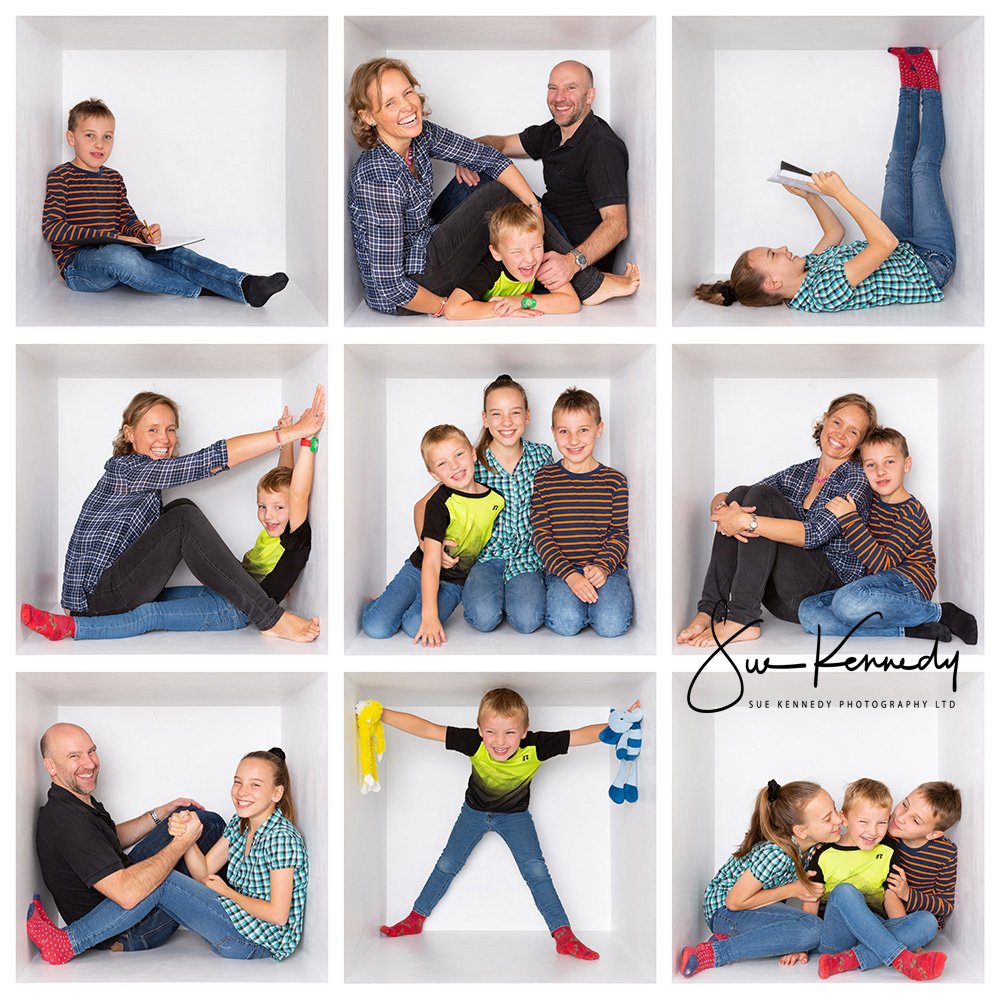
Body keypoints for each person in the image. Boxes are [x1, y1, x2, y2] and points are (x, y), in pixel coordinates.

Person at [20, 387, 324, 644]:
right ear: (129, 434)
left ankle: (248, 596)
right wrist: (293, 432)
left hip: (100, 594)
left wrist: (286, 442)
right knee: (183, 520)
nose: (164, 439)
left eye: (170, 429)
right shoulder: (129, 470)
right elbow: (208, 460)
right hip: (96, 600)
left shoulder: (142, 476)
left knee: (182, 509)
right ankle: (269, 617)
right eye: (152, 429)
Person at [346, 58, 637, 316]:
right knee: (501, 194)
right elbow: (388, 286)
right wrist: (443, 307)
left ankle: (573, 275)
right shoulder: (377, 178)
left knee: (486, 181)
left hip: (423, 242)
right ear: (368, 117)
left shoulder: (420, 137)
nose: (407, 106)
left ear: (590, 96)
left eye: (407, 93)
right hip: (412, 289)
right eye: (390, 103)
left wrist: (530, 205)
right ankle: (589, 285)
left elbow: (491, 158)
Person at [377, 687, 633, 960]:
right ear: (479, 730)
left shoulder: (536, 746)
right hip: (473, 814)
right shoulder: (473, 743)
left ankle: (563, 935)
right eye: (491, 732)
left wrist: (621, 723)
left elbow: (581, 735)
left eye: (510, 732)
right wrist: (380, 713)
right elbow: (427, 729)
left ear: (524, 731)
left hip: (515, 818)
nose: (500, 741)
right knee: (447, 864)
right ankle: (415, 919)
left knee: (537, 873)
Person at [695, 48, 953, 312]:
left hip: (901, 247)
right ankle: (928, 83)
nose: (783, 247)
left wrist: (810, 196)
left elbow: (835, 232)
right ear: (772, 283)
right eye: (774, 254)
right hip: (929, 261)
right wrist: (840, 193)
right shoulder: (822, 292)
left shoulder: (804, 274)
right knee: (922, 168)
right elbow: (885, 244)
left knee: (896, 167)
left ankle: (909, 85)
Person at [27, 738, 309, 963]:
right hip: (237, 921)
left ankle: (67, 943)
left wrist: (227, 892)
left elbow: (278, 916)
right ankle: (81, 936)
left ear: (276, 794)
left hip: (253, 942)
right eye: (238, 781)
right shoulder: (240, 824)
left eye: (254, 785)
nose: (241, 791)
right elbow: (203, 873)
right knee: (158, 874)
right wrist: (182, 836)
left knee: (160, 879)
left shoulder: (281, 838)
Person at [676, 392, 877, 648]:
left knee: (761, 499)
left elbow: (813, 533)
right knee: (740, 494)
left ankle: (742, 618)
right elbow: (740, 496)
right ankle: (710, 610)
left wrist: (746, 522)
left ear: (861, 442)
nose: (840, 434)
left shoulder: (856, 480)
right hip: (781, 599)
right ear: (825, 420)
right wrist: (722, 508)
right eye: (837, 422)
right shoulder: (802, 471)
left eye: (853, 431)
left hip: (822, 597)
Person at [43, 98, 289, 306]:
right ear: (71, 138)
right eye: (90, 135)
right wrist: (114, 239)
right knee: (120, 256)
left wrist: (143, 232)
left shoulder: (113, 178)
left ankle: (245, 285)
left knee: (175, 254)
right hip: (81, 267)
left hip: (121, 253)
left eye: (107, 137)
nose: (99, 144)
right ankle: (207, 290)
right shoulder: (61, 176)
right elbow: (53, 228)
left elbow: (126, 218)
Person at [27, 722, 223, 960]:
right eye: (74, 756)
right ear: (51, 766)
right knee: (201, 836)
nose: (89, 763)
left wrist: (160, 813)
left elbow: (106, 839)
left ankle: (221, 898)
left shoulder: (73, 799)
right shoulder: (70, 822)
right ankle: (231, 913)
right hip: (127, 928)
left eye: (91, 751)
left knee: (195, 816)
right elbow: (128, 894)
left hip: (122, 890)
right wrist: (183, 843)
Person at [434, 59, 632, 289]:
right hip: (544, 227)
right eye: (553, 88)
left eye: (570, 88)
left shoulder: (601, 145)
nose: (559, 97)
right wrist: (471, 152)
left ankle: (429, 249)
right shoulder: (554, 131)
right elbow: (504, 144)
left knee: (498, 187)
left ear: (590, 96)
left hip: (570, 246)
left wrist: (572, 262)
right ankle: (431, 246)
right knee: (483, 168)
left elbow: (617, 225)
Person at [797, 427, 978, 643]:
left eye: (889, 462)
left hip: (909, 584)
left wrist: (849, 518)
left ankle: (940, 612)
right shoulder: (869, 502)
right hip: (875, 587)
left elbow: (883, 563)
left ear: (907, 464)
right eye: (871, 465)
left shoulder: (912, 511)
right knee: (808, 612)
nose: (880, 471)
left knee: (847, 603)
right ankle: (909, 629)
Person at [413, 375, 551, 634]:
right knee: (484, 619)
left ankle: (517, 595)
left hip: (527, 557)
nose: (506, 422)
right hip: (487, 558)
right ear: (485, 419)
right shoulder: (471, 462)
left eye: (515, 413)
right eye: (496, 414)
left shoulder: (541, 455)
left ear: (527, 416)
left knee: (528, 621)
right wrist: (427, 544)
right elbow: (422, 506)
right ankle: (491, 595)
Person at [680, 779, 840, 977]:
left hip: (749, 911)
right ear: (800, 831)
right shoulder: (777, 853)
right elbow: (735, 901)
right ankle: (715, 952)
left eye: (835, 808)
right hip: (723, 911)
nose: (838, 820)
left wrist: (800, 944)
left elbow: (809, 898)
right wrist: (792, 890)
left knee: (815, 931)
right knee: (814, 929)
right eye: (827, 818)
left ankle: (727, 938)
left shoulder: (814, 849)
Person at [362, 424, 504, 645]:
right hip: (419, 569)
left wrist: (428, 618)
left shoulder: (497, 500)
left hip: (453, 582)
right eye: (442, 464)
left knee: (413, 627)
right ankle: (386, 603)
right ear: (433, 474)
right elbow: (430, 562)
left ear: (473, 453)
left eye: (459, 455)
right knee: (376, 627)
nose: (454, 466)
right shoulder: (439, 503)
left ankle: (404, 604)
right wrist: (430, 615)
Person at [818, 781, 961, 980]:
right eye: (904, 804)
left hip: (886, 925)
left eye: (915, 821)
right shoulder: (879, 838)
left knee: (927, 922)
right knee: (845, 891)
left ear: (933, 833)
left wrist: (908, 895)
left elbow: (944, 906)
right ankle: (901, 958)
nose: (900, 818)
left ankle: (850, 959)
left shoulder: (943, 853)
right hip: (851, 928)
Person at [531, 387, 632, 637]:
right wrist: (570, 576)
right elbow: (541, 535)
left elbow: (619, 534)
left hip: (606, 569)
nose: (573, 440)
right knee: (566, 623)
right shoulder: (544, 479)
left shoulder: (614, 481)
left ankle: (592, 608)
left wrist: (602, 566)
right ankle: (578, 606)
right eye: (564, 431)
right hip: (561, 570)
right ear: (553, 433)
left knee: (612, 626)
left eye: (583, 430)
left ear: (599, 429)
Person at [443, 204, 581, 319]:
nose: (530, 258)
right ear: (496, 253)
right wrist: (507, 308)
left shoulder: (540, 263)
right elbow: (453, 309)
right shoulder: (488, 270)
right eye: (516, 252)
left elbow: (571, 302)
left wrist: (522, 301)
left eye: (537, 247)